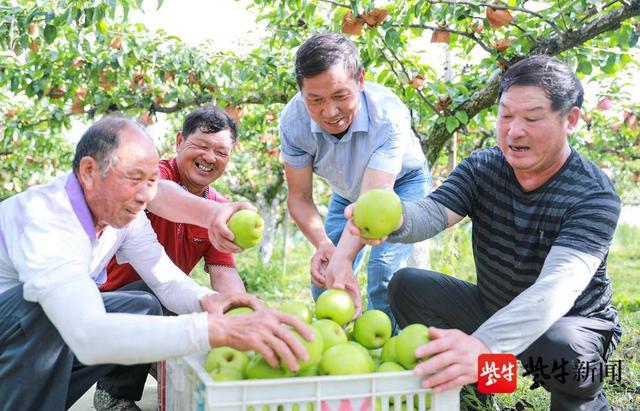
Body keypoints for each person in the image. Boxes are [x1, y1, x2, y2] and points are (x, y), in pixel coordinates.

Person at [346, 55, 621, 410]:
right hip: (495, 307)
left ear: (570, 119)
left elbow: (558, 287)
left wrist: (484, 344)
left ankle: (584, 401)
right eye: (506, 115)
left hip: (571, 323)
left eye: (532, 118)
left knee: (562, 345)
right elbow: (432, 213)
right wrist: (395, 220)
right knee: (408, 286)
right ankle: (488, 386)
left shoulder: (593, 194)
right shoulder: (484, 167)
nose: (513, 130)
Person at [0, 117, 312, 411]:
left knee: (143, 304)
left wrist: (209, 301)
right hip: (17, 327)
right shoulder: (48, 220)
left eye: (151, 181)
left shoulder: (123, 217)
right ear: (89, 172)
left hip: (30, 340)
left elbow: (163, 277)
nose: (144, 194)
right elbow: (89, 334)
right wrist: (213, 329)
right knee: (41, 307)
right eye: (134, 178)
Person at [93, 106, 245, 410]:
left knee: (199, 309)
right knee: (146, 296)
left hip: (165, 298)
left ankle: (158, 364)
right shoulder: (154, 176)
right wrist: (211, 215)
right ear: (179, 141)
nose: (209, 157)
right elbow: (159, 192)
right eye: (200, 145)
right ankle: (113, 394)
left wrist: (240, 317)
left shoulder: (218, 205)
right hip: (113, 300)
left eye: (220, 151)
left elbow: (223, 271)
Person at [279, 32, 430, 324]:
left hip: (401, 184)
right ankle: (337, 344)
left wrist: (344, 258)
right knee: (324, 277)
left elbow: (373, 204)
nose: (330, 111)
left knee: (384, 273)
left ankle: (391, 353)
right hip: (348, 193)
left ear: (360, 80)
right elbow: (298, 198)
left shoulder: (387, 115)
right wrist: (326, 246)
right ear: (301, 92)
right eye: (315, 100)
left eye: (340, 96)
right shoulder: (293, 123)